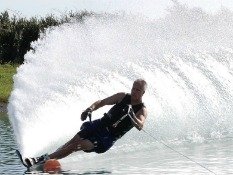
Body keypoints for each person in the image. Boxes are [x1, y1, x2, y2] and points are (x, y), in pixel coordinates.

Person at [24, 79, 148, 167]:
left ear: (143, 93)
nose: (134, 91)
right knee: (70, 143)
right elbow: (101, 102)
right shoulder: (122, 96)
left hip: (107, 137)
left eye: (138, 90)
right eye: (133, 88)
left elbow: (140, 125)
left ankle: (40, 160)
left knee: (75, 146)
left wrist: (131, 115)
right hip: (99, 124)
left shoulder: (141, 110)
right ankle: (48, 160)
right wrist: (89, 109)